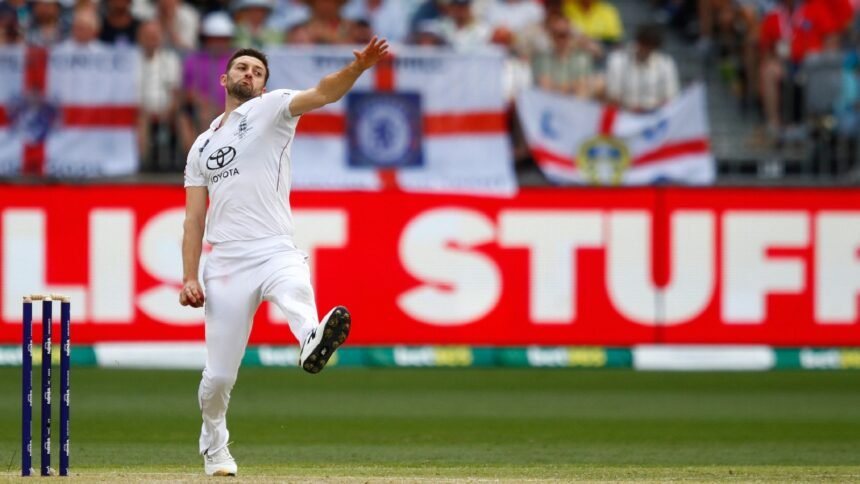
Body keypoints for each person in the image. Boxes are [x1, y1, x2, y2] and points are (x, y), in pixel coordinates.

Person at [179, 38, 389, 477]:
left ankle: (312, 338)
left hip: (274, 245)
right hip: (226, 262)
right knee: (218, 378)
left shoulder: (273, 108)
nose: (250, 74)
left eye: (258, 71)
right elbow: (194, 220)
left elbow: (325, 93)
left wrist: (357, 69)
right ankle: (215, 446)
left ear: (264, 85)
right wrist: (189, 277)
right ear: (225, 78)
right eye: (243, 68)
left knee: (295, 287)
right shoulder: (201, 146)